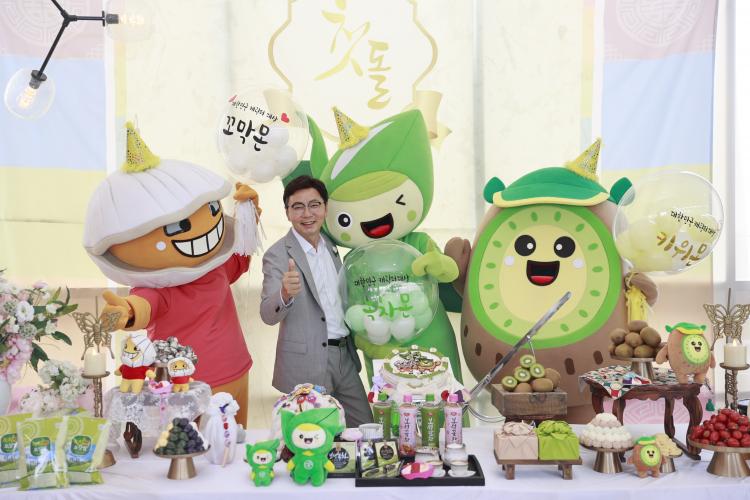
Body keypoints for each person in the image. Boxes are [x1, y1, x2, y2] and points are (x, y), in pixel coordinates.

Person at [260, 175, 372, 427]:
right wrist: (284, 294)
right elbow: (267, 314)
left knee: (364, 428)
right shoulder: (277, 255)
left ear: (325, 208)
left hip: (344, 356)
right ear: (287, 212)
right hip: (307, 363)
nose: (307, 214)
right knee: (313, 436)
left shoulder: (331, 245)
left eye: (314, 205)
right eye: (298, 207)